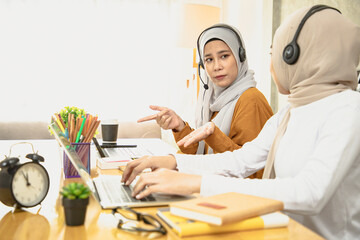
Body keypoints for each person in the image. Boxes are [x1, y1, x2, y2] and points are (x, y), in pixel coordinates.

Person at [122, 5, 360, 239]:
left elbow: (309, 193)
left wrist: (193, 183)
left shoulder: (348, 108)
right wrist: (172, 161)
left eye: (273, 55)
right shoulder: (290, 112)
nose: (271, 66)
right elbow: (241, 161)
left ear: (295, 57)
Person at [138, 23, 273, 178]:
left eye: (224, 56)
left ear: (240, 56)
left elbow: (254, 172)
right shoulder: (213, 100)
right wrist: (179, 127)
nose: (216, 66)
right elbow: (202, 156)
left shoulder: (250, 100)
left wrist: (213, 135)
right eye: (209, 59)